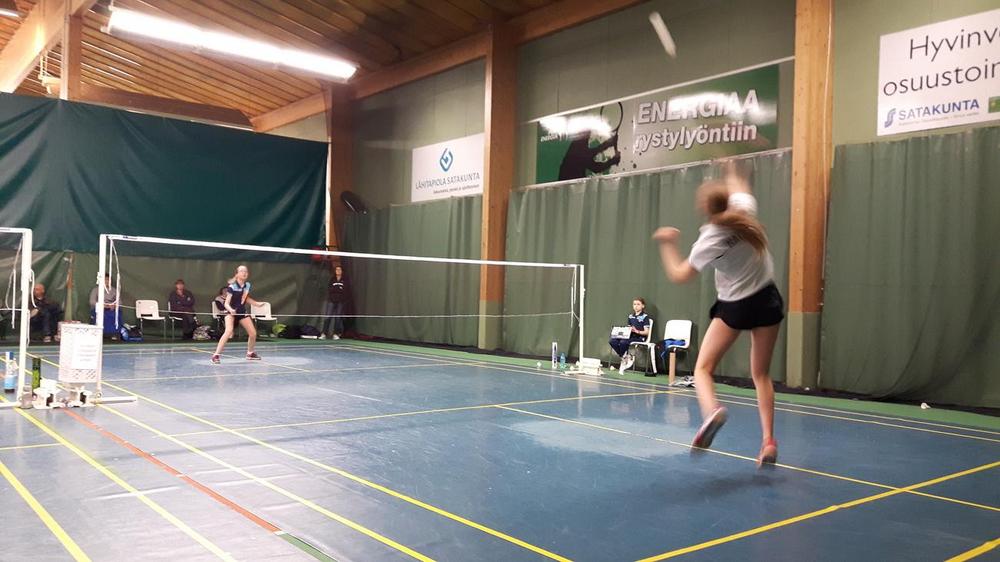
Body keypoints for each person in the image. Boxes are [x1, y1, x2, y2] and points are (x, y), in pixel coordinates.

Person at [652, 162, 784, 466]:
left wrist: (667, 244)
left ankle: (712, 410)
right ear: (727, 200)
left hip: (735, 306)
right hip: (767, 299)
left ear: (704, 209)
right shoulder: (744, 213)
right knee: (761, 375)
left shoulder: (709, 239)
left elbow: (680, 275)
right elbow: (742, 189)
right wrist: (732, 172)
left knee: (703, 368)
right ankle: (768, 441)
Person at [211, 265, 261, 364]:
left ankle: (250, 353)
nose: (244, 273)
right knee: (228, 331)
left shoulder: (247, 285)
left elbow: (245, 298)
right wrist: (231, 310)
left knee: (253, 333)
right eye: (242, 271)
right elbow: (226, 303)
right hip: (231, 313)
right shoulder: (232, 287)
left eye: (246, 271)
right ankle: (215, 355)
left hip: (242, 312)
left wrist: (256, 304)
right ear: (237, 274)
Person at [608, 298, 652, 373]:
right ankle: (626, 357)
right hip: (630, 336)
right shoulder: (630, 316)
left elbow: (646, 332)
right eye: (634, 304)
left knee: (623, 342)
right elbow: (629, 329)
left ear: (643, 306)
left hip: (640, 338)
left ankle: (625, 358)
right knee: (612, 341)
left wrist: (637, 331)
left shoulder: (645, 317)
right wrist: (621, 331)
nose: (636, 306)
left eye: (638, 304)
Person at [322, 265, 350, 340]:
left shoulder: (345, 280)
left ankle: (336, 334)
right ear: (335, 271)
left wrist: (339, 291)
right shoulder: (332, 279)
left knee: (338, 318)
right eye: (337, 270)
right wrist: (338, 289)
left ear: (342, 271)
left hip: (341, 301)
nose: (338, 271)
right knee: (327, 317)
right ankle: (324, 333)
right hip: (331, 301)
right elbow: (330, 289)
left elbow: (346, 290)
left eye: (339, 269)